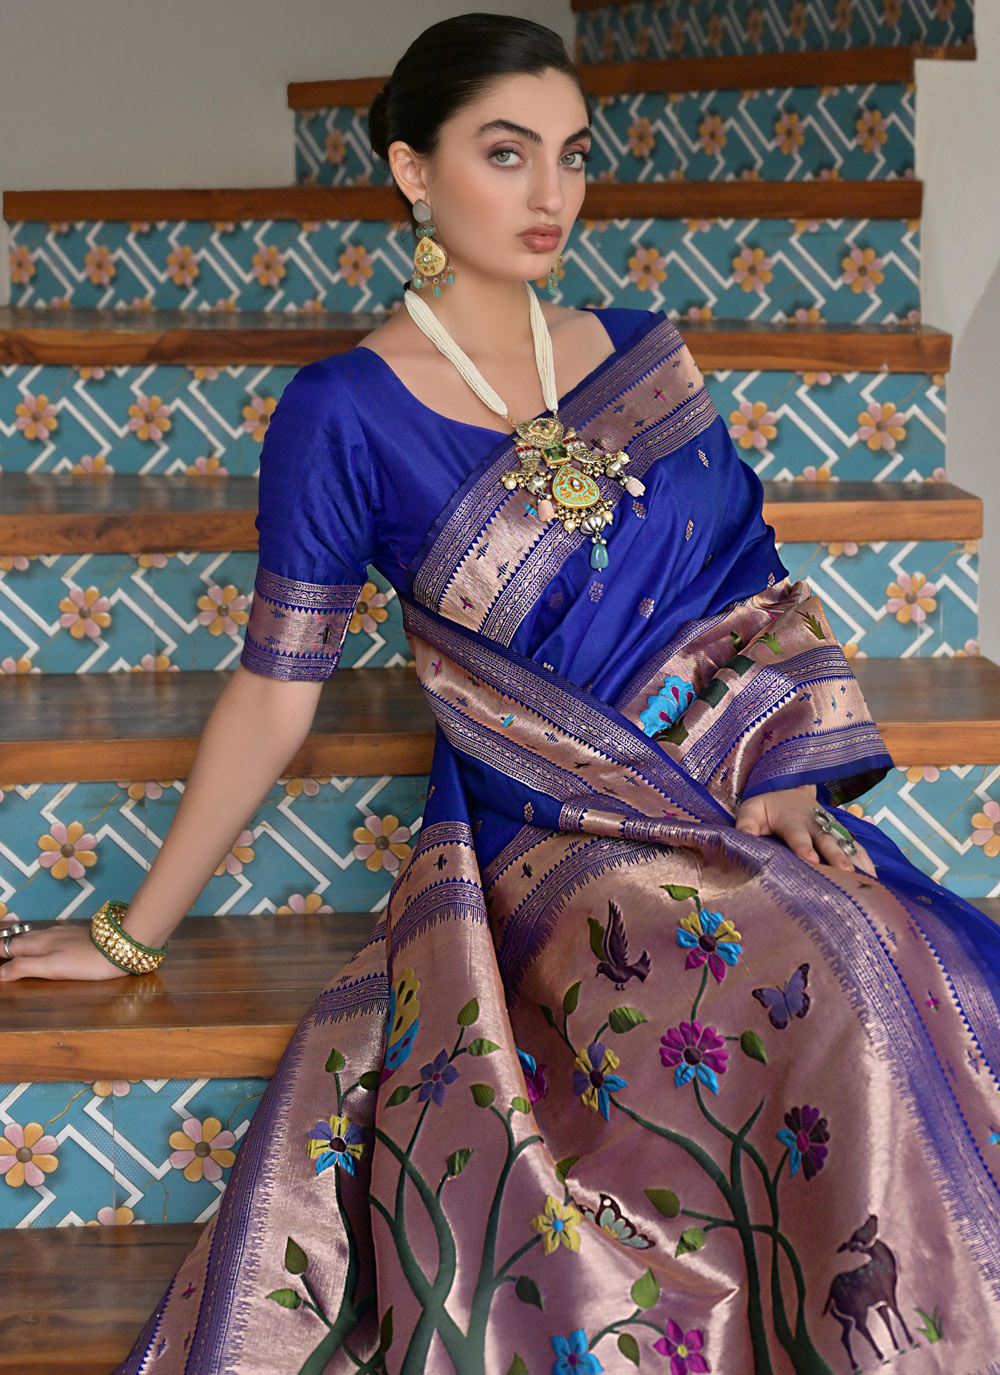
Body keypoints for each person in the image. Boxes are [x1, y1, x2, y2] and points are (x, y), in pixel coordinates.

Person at [5, 13, 999, 1373]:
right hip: (545, 836)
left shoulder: (638, 352)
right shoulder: (343, 413)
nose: (551, 193)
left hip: (717, 786)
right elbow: (276, 691)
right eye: (506, 152)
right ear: (413, 170)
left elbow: (747, 580)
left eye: (573, 155)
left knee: (887, 947)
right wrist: (134, 933)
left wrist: (785, 767)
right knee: (824, 969)